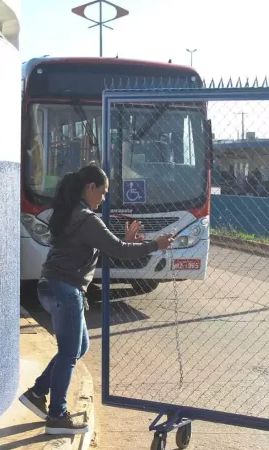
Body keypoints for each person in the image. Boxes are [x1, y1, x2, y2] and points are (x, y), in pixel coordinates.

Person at [18, 165, 175, 435]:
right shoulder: (87, 218)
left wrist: (123, 242)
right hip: (64, 290)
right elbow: (121, 251)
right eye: (102, 192)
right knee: (69, 352)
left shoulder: (69, 213)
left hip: (56, 287)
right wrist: (155, 245)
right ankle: (57, 416)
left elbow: (100, 251)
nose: (103, 198)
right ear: (90, 188)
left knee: (78, 347)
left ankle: (37, 392)